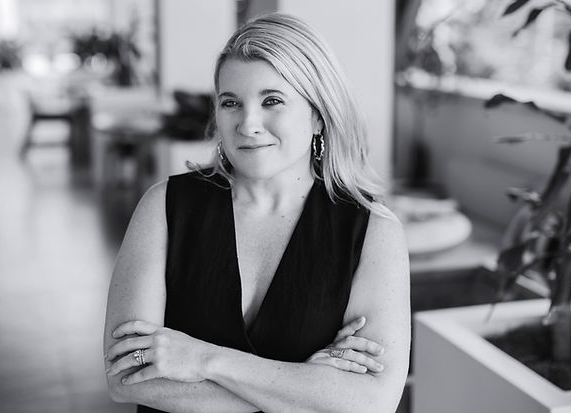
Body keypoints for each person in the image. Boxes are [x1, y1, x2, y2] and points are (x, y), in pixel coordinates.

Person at [103, 12, 410, 413]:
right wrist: (304, 387)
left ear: (318, 115)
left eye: (272, 101)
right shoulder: (163, 207)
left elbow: (372, 400)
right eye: (231, 103)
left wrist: (203, 359)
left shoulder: (373, 231)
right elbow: (126, 377)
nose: (248, 124)